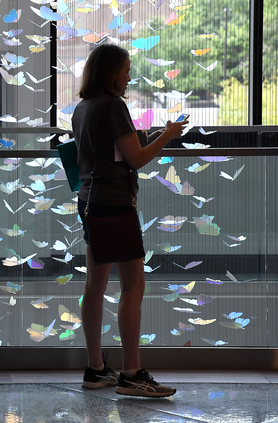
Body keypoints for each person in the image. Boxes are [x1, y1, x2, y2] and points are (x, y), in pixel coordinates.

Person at [71, 44, 187, 398]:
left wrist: (152, 138)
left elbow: (116, 152)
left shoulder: (83, 108)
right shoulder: (113, 106)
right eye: (125, 71)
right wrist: (167, 136)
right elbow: (135, 160)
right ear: (110, 73)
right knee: (133, 285)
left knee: (95, 286)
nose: (130, 77)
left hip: (90, 202)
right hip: (116, 205)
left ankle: (95, 368)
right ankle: (132, 373)